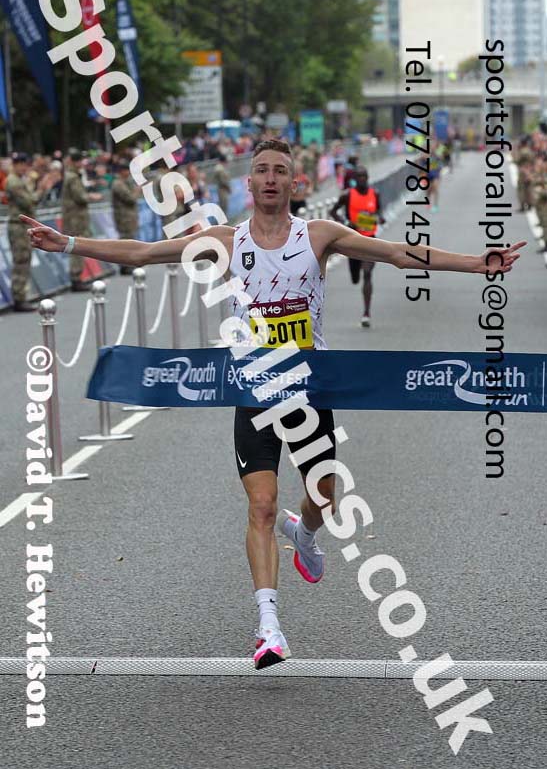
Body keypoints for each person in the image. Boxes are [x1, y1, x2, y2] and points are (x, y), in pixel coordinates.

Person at [22, 139, 525, 669]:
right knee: (260, 504)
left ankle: (304, 532)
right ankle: (269, 627)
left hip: (312, 388)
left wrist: (477, 265)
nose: (268, 178)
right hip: (253, 388)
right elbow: (147, 253)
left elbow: (397, 252)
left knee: (323, 495)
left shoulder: (320, 236)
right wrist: (69, 244)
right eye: (260, 170)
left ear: (293, 183)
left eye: (279, 171)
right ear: (249, 182)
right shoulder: (224, 240)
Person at [330, 167, 384, 327]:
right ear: (355, 179)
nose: (361, 179)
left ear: (367, 177)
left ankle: (366, 313)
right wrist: (347, 222)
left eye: (363, 176)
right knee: (355, 279)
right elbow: (333, 211)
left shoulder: (375, 194)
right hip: (352, 241)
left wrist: (380, 218)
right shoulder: (347, 195)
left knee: (367, 273)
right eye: (358, 176)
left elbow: (379, 211)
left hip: (370, 241)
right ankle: (355, 273)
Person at [6, 153, 44, 312]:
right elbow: (29, 202)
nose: (24, 167)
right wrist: (41, 189)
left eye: (25, 164)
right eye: (20, 164)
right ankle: (19, 298)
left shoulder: (19, 180)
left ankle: (21, 296)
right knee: (21, 261)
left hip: (22, 226)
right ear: (14, 164)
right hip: (18, 225)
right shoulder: (14, 182)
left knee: (24, 260)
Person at [61, 148, 101, 291]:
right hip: (75, 219)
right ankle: (76, 278)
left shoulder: (73, 175)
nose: (80, 163)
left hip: (76, 218)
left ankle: (77, 277)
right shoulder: (72, 177)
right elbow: (80, 196)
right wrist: (92, 196)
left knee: (77, 246)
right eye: (77, 160)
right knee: (75, 247)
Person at [112, 160, 140, 275]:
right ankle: (124, 265)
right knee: (125, 242)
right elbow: (130, 198)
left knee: (129, 241)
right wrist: (137, 192)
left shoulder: (125, 182)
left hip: (128, 218)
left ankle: (127, 265)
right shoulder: (118, 184)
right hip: (124, 219)